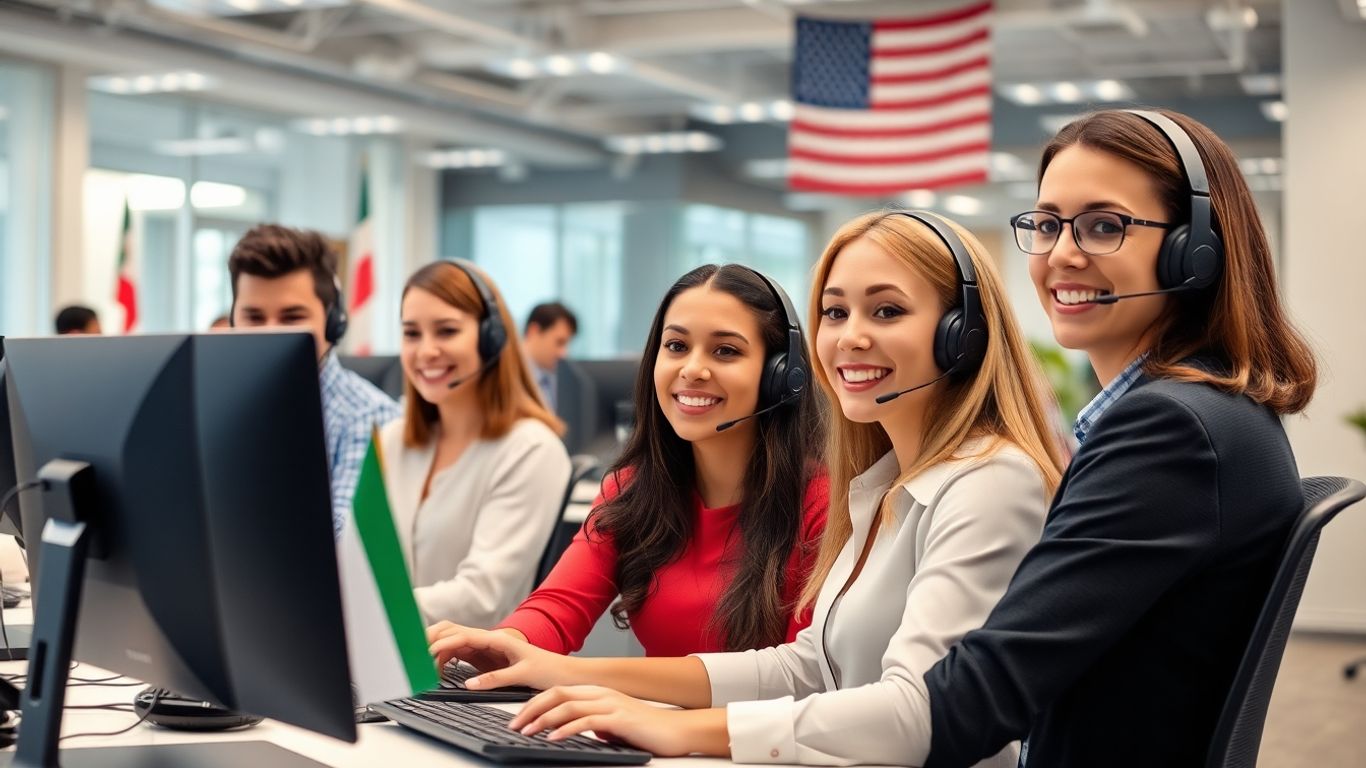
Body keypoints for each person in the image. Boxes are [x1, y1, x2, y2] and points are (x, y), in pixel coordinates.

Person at [428, 213, 1066, 767]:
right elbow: (806, 667)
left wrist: (677, 727)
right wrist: (561, 671)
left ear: (963, 334)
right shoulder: (879, 489)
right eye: (835, 312)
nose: (850, 336)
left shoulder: (989, 480)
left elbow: (914, 711)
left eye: (887, 310)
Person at [912, 109, 1323, 767]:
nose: (1062, 255)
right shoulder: (1215, 407)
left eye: (1104, 227)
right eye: (1046, 225)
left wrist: (729, 732)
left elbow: (977, 700)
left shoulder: (1172, 429)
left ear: (1196, 249)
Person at [443, 264, 830, 657]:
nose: (692, 369)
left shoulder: (822, 506)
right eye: (676, 346)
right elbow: (559, 607)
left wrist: (593, 682)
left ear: (781, 375)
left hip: (745, 721)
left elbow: (796, 678)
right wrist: (501, 643)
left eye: (725, 350)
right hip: (644, 717)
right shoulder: (630, 490)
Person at [382, 261, 570, 627]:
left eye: (447, 331)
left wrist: (363, 610)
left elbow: (482, 598)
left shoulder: (531, 450)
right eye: (411, 333)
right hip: (389, 660)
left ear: (491, 337)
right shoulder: (394, 440)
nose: (425, 351)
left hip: (470, 673)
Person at [228, 223, 400, 535]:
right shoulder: (220, 406)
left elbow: (341, 548)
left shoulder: (370, 418)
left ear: (333, 323)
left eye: (292, 317)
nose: (270, 334)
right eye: (253, 317)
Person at [522, 302, 578, 411]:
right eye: (559, 342)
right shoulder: (506, 376)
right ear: (534, 331)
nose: (563, 353)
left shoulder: (555, 379)